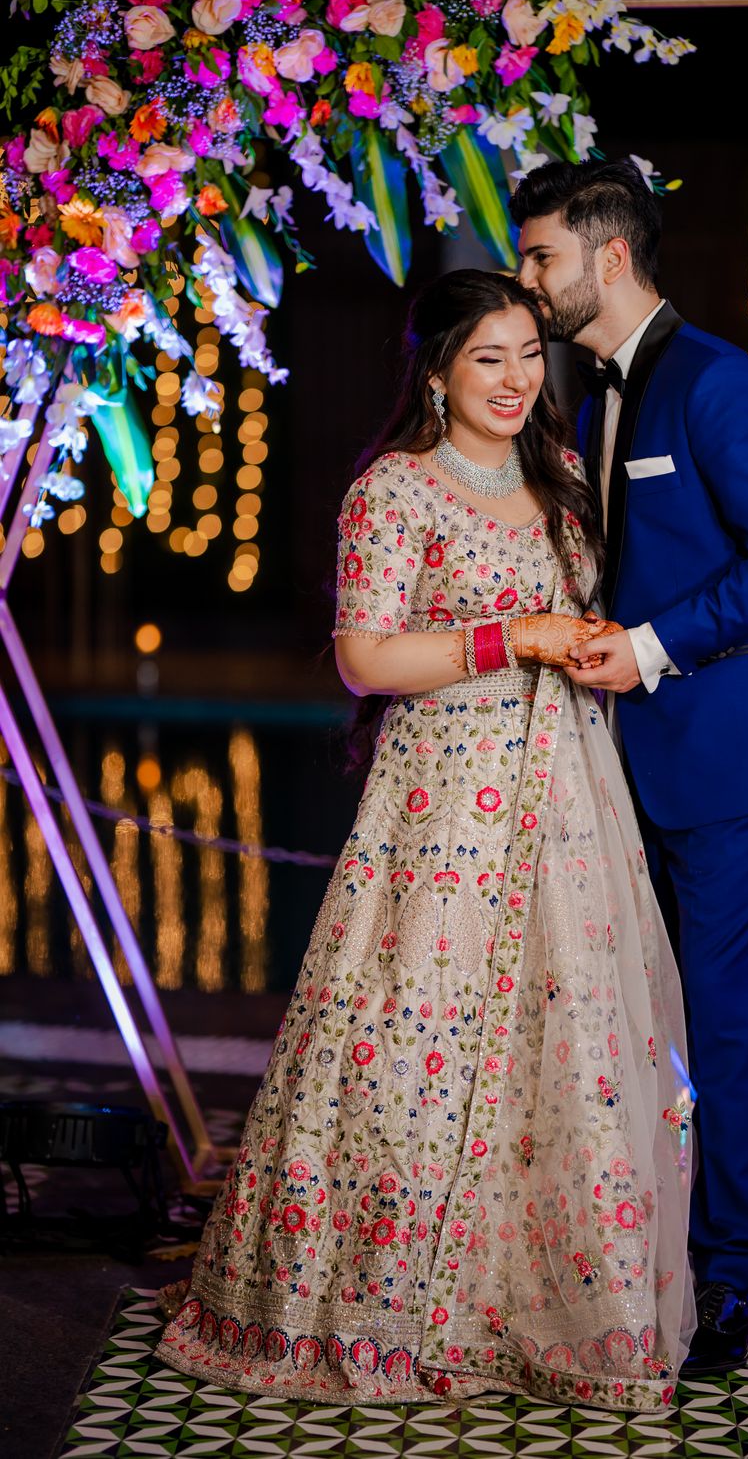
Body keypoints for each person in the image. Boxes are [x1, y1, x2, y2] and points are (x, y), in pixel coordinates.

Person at [155, 269, 696, 1411]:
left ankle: (544, 1314)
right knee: (412, 1050)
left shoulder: (559, 480)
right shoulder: (394, 493)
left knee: (567, 1064)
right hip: (443, 813)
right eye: (487, 357)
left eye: (527, 355)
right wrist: (516, 636)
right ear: (439, 370)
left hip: (566, 811)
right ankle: (383, 1314)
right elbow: (365, 658)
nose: (513, 379)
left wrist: (590, 643)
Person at [511, 159, 748, 1377]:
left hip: (730, 765)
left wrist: (649, 645)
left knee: (727, 1034)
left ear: (608, 254)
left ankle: (736, 1285)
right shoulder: (600, 394)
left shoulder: (716, 380)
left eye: (543, 254)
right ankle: (657, 1259)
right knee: (644, 1026)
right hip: (634, 766)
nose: (531, 278)